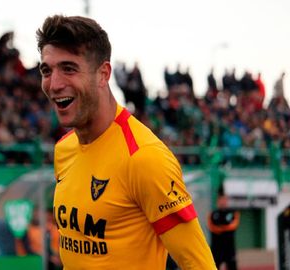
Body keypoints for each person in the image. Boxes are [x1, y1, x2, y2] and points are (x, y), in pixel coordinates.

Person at [36, 15, 216, 269]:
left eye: (69, 68)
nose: (54, 84)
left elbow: (199, 265)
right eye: (47, 70)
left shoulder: (144, 158)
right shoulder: (64, 149)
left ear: (103, 74)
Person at [207, 185, 240, 270]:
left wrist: (221, 228)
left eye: (225, 199)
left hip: (229, 248)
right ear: (218, 201)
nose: (223, 202)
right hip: (216, 248)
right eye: (221, 199)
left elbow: (233, 225)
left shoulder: (233, 213)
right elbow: (211, 227)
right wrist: (224, 228)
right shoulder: (213, 214)